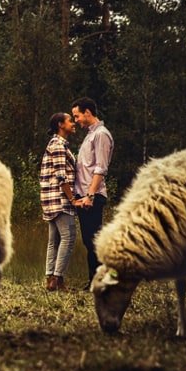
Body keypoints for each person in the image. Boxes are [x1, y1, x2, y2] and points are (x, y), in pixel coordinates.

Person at [71, 97, 114, 289]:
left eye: (77, 115)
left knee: (94, 240)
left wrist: (90, 195)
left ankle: (103, 281)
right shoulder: (90, 135)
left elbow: (100, 168)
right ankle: (96, 280)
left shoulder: (101, 135)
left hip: (92, 196)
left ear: (87, 112)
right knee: (90, 241)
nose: (76, 120)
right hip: (84, 196)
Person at [39, 112, 77, 291]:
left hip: (50, 199)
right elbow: (62, 176)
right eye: (70, 120)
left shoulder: (54, 144)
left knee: (54, 240)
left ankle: (50, 278)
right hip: (60, 199)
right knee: (68, 238)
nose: (74, 122)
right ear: (61, 125)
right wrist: (72, 199)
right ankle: (57, 278)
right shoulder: (59, 146)